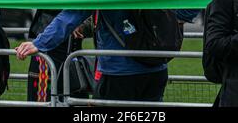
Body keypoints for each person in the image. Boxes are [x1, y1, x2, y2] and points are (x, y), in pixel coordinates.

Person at [16, 10, 168, 102]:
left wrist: (40, 42)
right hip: (156, 67)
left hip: (119, 71)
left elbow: (74, 13)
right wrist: (180, 21)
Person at [27, 9, 93, 102]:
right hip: (46, 50)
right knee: (43, 99)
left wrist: (80, 25)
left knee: (75, 97)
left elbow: (91, 18)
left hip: (71, 51)